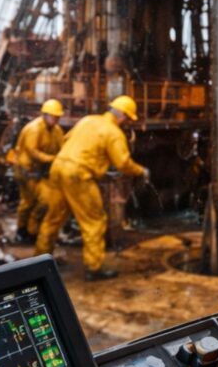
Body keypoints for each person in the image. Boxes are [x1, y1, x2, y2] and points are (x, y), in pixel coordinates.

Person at [35, 95, 149, 281]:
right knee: (94, 221)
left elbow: (66, 139)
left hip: (58, 167)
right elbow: (123, 163)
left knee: (53, 219)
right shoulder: (114, 132)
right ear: (122, 116)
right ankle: (93, 268)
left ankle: (38, 262)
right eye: (128, 119)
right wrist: (141, 171)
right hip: (78, 175)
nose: (128, 123)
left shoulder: (88, 120)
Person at [13, 99, 66, 242]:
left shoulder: (56, 130)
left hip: (39, 171)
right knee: (28, 201)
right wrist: (52, 159)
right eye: (54, 116)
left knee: (45, 201)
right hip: (26, 171)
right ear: (45, 115)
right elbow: (32, 151)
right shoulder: (34, 129)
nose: (56, 119)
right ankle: (21, 230)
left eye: (58, 117)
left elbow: (62, 148)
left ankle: (32, 229)